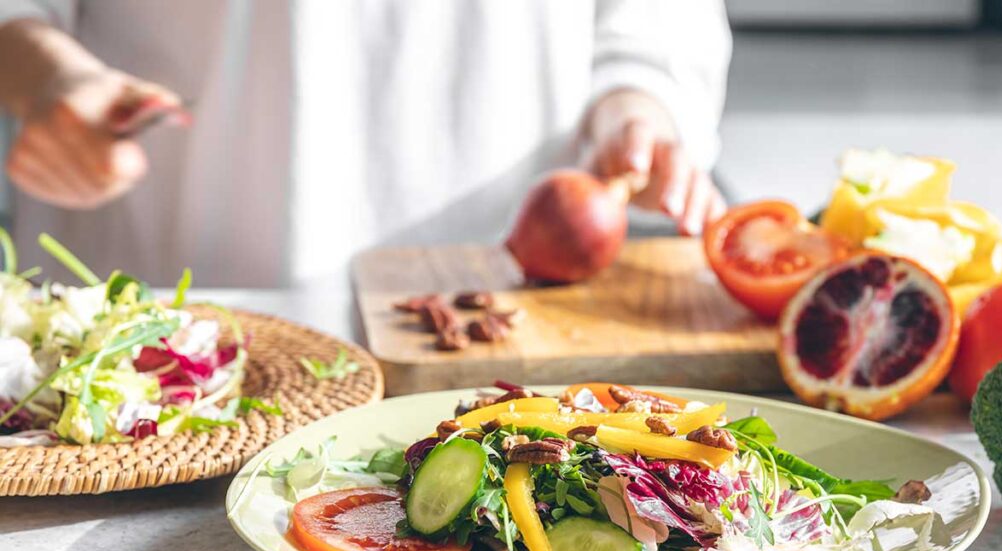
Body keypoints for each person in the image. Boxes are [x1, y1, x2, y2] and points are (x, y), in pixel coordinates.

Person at [0, 1, 731, 287]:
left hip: (493, 305)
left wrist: (639, 95)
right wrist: (48, 75)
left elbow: (651, 16)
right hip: (149, 300)